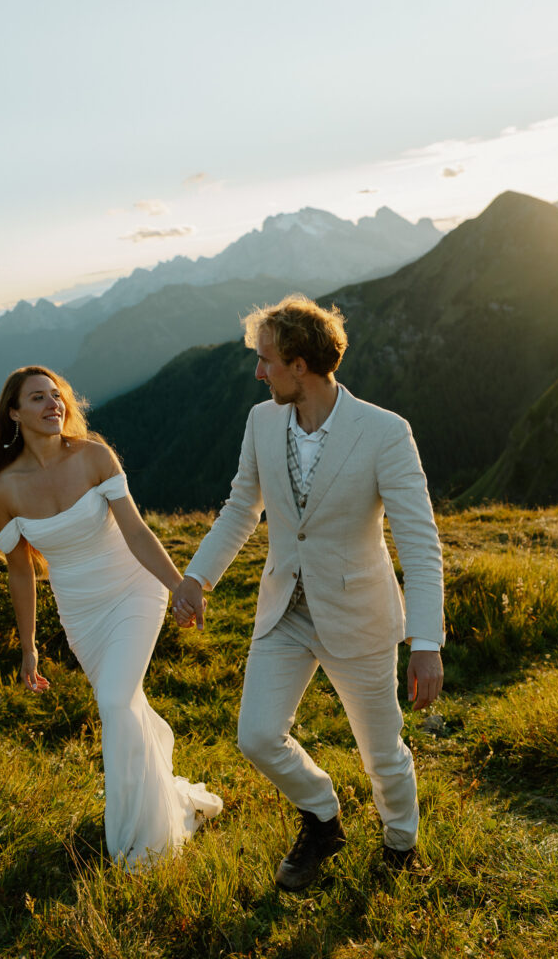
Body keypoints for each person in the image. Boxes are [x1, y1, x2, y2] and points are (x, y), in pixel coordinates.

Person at [172, 295, 444, 892]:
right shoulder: (260, 421)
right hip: (284, 611)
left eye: (266, 360)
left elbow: (420, 542)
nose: (257, 372)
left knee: (382, 752)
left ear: (300, 366)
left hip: (360, 615)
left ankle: (401, 845)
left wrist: (425, 640)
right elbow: (243, 506)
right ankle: (323, 817)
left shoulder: (384, 432)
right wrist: (197, 576)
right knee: (257, 736)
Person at [0, 365, 222, 867]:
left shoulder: (94, 456)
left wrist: (178, 585)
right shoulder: (3, 491)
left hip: (133, 588)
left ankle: (144, 844)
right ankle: (163, 797)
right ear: (14, 413)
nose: (53, 405)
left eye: (57, 395)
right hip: (82, 613)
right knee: (124, 704)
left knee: (114, 702)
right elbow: (21, 573)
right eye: (38, 398)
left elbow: (136, 532)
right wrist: (29, 647)